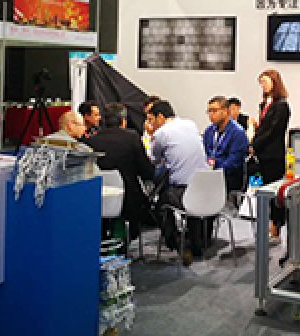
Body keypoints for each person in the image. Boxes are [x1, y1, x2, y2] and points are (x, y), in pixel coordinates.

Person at [148, 100, 209, 262]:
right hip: (206, 190)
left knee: (160, 205)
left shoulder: (161, 133)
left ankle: (175, 243)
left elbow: (154, 160)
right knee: (189, 204)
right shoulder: (191, 124)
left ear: (160, 117)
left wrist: (151, 135)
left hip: (183, 191)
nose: (151, 124)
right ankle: (196, 243)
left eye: (152, 120)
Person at [88, 102, 155, 241]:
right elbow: (146, 171)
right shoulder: (132, 137)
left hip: (99, 199)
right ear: (123, 121)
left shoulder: (91, 141)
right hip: (129, 200)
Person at [250, 69, 290, 242]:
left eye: (265, 82)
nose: (263, 86)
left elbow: (273, 131)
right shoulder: (265, 104)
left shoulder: (281, 106)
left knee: (274, 193)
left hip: (274, 154)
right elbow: (264, 128)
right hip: (263, 154)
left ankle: (276, 228)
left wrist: (255, 144)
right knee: (264, 190)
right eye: (261, 83)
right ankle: (269, 225)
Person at [203, 96, 249, 193]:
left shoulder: (238, 132)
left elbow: (233, 162)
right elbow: (205, 153)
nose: (211, 115)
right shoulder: (209, 131)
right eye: (209, 111)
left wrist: (215, 170)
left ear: (225, 111)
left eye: (214, 111)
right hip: (210, 176)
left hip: (229, 180)